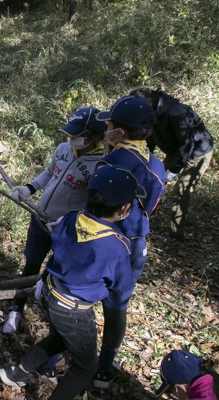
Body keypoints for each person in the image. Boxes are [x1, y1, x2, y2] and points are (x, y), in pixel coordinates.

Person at [0, 164, 142, 400]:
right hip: (74, 310)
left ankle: (18, 371)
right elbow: (121, 284)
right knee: (85, 367)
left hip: (49, 292)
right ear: (125, 208)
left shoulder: (71, 217)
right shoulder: (117, 244)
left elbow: (57, 244)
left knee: (61, 338)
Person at [4, 107, 107, 379]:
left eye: (78, 135)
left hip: (66, 233)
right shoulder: (63, 149)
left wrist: (67, 224)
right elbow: (48, 174)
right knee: (30, 267)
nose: (72, 139)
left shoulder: (101, 166)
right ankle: (16, 311)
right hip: (40, 221)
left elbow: (92, 207)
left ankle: (51, 345)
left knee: (55, 284)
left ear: (93, 136)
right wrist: (28, 189)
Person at [93, 95, 166, 388]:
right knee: (117, 307)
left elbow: (94, 207)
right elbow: (151, 207)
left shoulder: (111, 161)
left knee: (79, 297)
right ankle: (104, 370)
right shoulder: (157, 165)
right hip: (136, 244)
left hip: (104, 242)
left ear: (119, 133)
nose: (106, 129)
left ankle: (50, 362)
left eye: (109, 124)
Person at [130, 88, 214, 243]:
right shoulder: (150, 113)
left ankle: (176, 235)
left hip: (197, 152)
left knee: (181, 191)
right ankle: (143, 219)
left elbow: (188, 143)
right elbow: (149, 140)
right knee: (155, 183)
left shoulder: (175, 113)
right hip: (175, 149)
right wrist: (144, 162)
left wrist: (174, 170)